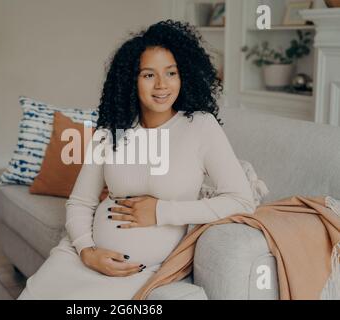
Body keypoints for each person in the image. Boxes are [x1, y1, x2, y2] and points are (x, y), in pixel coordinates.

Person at [18, 20, 256, 300]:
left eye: (171, 73)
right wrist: (87, 250)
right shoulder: (112, 129)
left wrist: (161, 211)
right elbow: (81, 202)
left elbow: (241, 201)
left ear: (184, 76)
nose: (161, 85)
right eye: (148, 75)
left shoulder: (200, 127)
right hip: (84, 257)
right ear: (132, 79)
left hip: (138, 271)